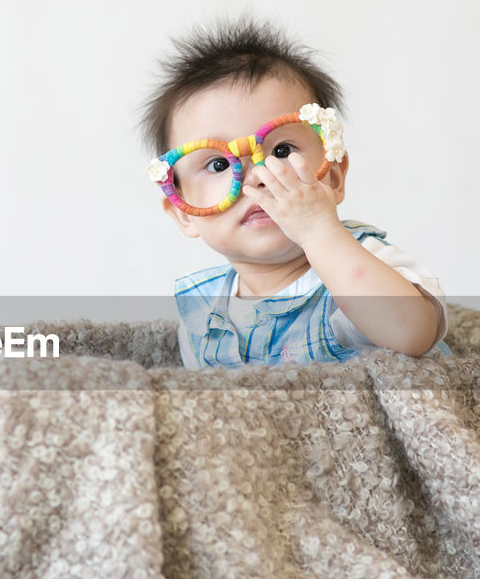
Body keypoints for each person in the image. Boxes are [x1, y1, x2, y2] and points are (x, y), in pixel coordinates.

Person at [142, 19, 451, 369]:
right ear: (184, 212)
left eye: (281, 151)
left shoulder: (367, 262)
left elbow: (409, 333)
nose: (257, 177)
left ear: (332, 177)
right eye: (217, 165)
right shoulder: (202, 311)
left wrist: (319, 233)